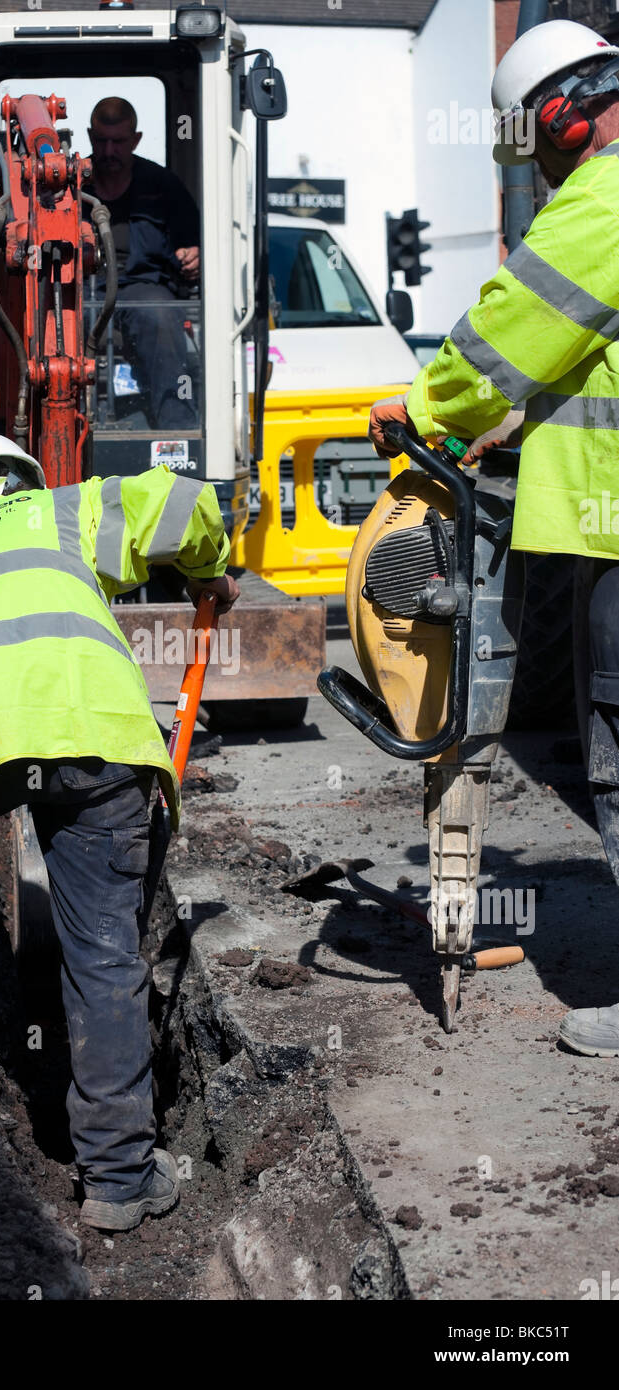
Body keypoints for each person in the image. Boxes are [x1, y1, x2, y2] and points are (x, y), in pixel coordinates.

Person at [0, 431, 239, 1230]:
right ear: (20, 479)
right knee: (104, 953)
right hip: (91, 729)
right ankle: (116, 1181)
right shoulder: (66, 509)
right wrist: (207, 568)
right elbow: (187, 502)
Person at [368, 19, 619, 1058]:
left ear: (564, 113)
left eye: (543, 145)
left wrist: (427, 409)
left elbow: (506, 335)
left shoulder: (605, 200)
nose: (548, 168)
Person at [84, 96, 200, 429]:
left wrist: (194, 256)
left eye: (118, 142)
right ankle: (63, 429)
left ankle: (177, 429)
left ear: (135, 140)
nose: (109, 152)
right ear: (90, 137)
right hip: (82, 290)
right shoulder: (72, 185)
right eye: (102, 141)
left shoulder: (163, 185)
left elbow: (194, 242)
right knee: (54, 327)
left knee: (159, 316)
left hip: (145, 288)